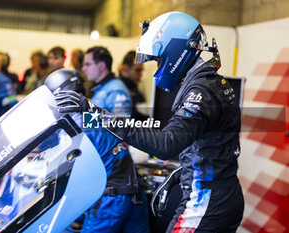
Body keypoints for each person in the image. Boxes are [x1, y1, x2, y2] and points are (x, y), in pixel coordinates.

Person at [54, 12, 244, 232]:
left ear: (176, 50)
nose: (157, 68)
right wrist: (181, 174)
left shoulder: (201, 90)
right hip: (221, 194)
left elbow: (165, 144)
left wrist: (93, 111)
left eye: (159, 60)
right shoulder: (211, 82)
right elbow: (212, 145)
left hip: (207, 200)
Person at [45, 69, 150, 233]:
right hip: (135, 194)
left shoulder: (71, 126)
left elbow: (65, 172)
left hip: (110, 201)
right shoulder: (95, 114)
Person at [82, 46, 131, 115]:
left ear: (102, 66)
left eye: (87, 64)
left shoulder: (115, 90)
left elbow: (121, 123)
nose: (84, 69)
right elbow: (91, 124)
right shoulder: (102, 87)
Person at [119, 50, 148, 121]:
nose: (141, 74)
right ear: (125, 69)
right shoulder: (118, 89)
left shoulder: (133, 86)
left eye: (141, 70)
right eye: (138, 70)